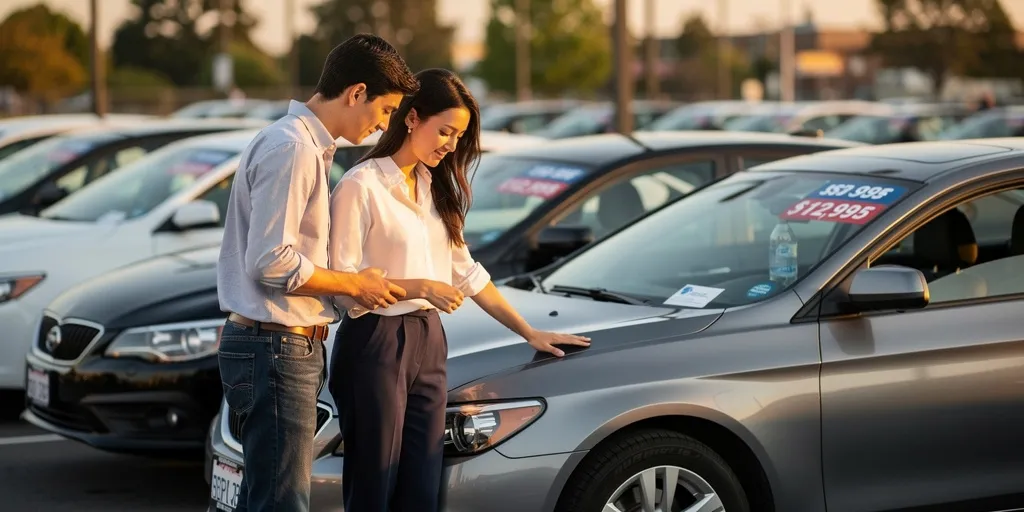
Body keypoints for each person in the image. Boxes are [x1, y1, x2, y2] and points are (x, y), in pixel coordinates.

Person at [327, 68, 592, 512]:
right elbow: (342, 283)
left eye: (459, 136)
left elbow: (468, 273)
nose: (451, 145)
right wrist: (419, 287)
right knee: (374, 483)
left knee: (422, 484)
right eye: (445, 131)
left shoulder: (435, 187)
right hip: (375, 342)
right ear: (412, 118)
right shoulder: (361, 185)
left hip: (429, 341)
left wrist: (529, 332)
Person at [215, 34, 419, 512]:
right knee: (282, 502)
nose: (384, 124)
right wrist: (355, 283)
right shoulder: (294, 148)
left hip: (273, 344)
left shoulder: (295, 142)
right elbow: (271, 260)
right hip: (277, 346)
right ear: (356, 93)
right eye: (386, 109)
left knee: (264, 497)